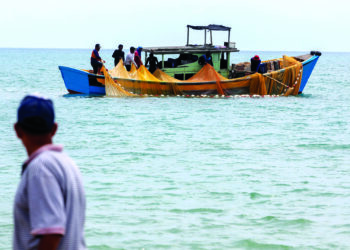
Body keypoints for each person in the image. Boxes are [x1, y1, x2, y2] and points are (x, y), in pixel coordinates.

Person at [13, 94, 86, 250]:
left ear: (17, 130)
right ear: (54, 129)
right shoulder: (69, 165)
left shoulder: (40, 168)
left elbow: (51, 234)